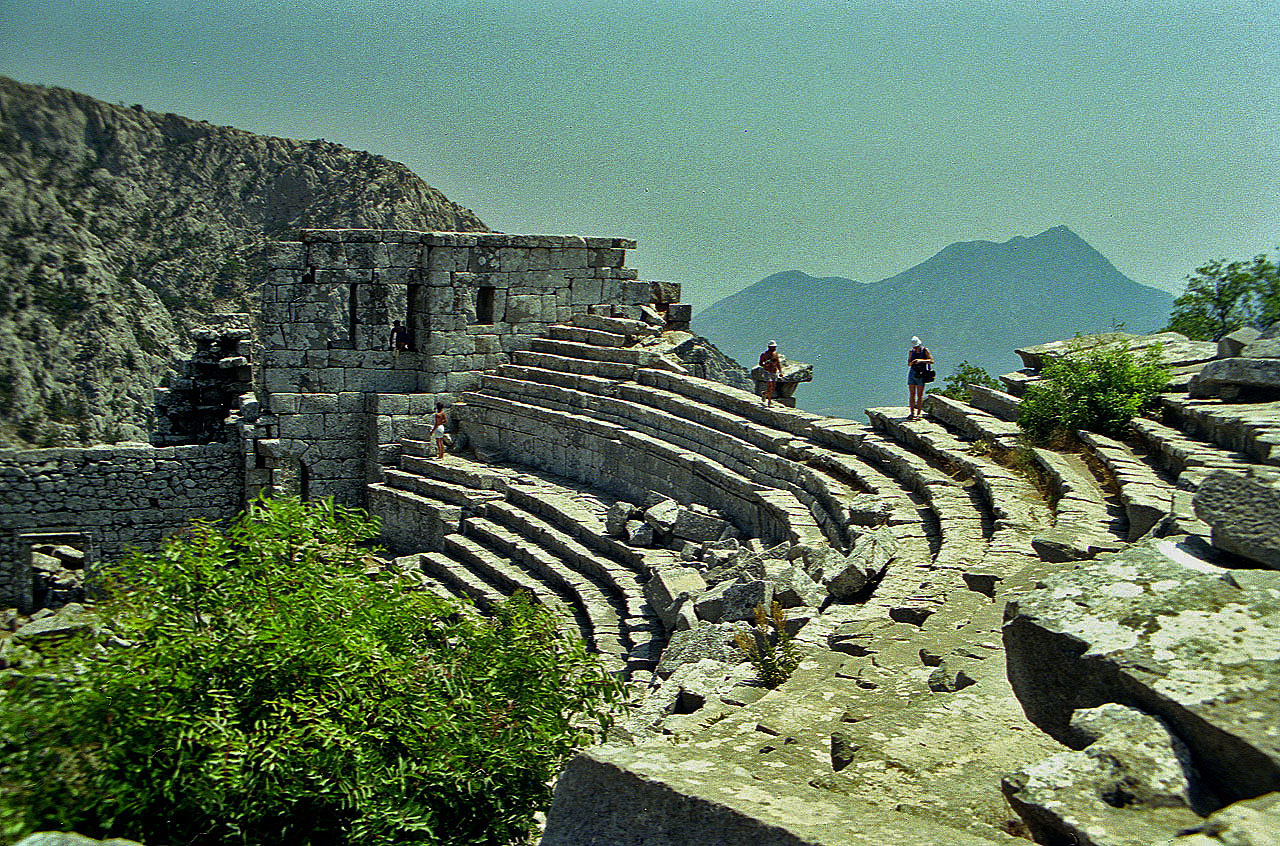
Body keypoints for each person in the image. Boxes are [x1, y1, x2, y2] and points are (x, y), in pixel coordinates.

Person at [907, 335, 934, 420]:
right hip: (913, 373)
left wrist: (921, 361)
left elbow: (931, 361)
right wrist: (913, 362)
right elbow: (909, 363)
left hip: (921, 373)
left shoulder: (925, 350)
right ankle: (912, 413)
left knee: (919, 395)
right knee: (912, 394)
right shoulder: (911, 352)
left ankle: (918, 413)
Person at [759, 340, 782, 406]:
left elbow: (778, 363)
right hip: (767, 372)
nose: (774, 348)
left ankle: (764, 393)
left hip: (774, 372)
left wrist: (780, 371)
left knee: (773, 388)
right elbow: (760, 363)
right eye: (772, 347)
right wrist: (765, 365)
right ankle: (769, 401)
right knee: (770, 386)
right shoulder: (764, 354)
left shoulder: (775, 354)